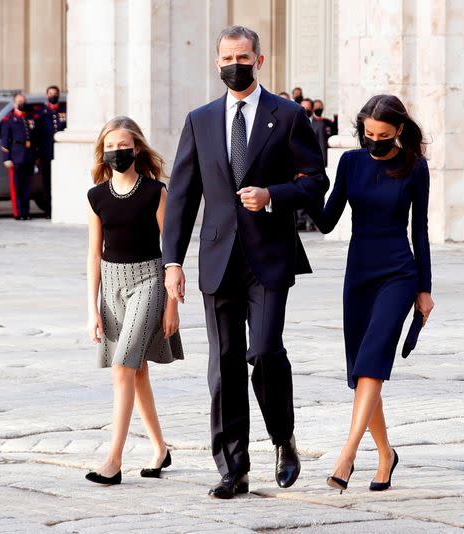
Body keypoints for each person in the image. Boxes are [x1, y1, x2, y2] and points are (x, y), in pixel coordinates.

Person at [162, 25, 328, 499]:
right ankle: (233, 467)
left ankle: (283, 439)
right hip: (217, 258)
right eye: (226, 57)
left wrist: (272, 195)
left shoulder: (290, 115)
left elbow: (316, 183)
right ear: (217, 64)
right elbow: (181, 197)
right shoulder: (200, 119)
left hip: (270, 259)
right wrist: (172, 262)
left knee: (264, 353)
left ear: (259, 60)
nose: (235, 63)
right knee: (225, 364)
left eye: (243, 56)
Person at [309, 94, 433, 493]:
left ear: (398, 131)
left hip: (399, 273)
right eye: (368, 134)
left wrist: (425, 289)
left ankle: (347, 454)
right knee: (362, 369)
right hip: (358, 274)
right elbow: (327, 222)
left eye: (382, 135)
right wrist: (304, 189)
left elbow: (421, 231)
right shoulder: (351, 162)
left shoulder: (416, 167)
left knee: (374, 360)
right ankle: (385, 453)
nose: (374, 141)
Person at [85, 116, 184, 485]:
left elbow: (171, 247)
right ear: (102, 151)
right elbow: (94, 255)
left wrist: (171, 304)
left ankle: (113, 460)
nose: (116, 152)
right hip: (111, 286)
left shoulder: (155, 192)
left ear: (137, 147)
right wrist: (91, 307)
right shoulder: (96, 196)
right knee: (137, 370)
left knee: (123, 367)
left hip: (148, 280)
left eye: (123, 146)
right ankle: (160, 448)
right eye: (109, 147)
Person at [0, 93, 36, 220]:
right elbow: (4, 141)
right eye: (20, 101)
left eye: (23, 101)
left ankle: (26, 213)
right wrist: (7, 158)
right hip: (16, 156)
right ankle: (18, 213)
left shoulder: (29, 118)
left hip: (29, 156)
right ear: (14, 103)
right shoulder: (9, 120)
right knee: (17, 187)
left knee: (27, 186)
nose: (22, 103)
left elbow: (34, 138)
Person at [35, 85, 67, 218]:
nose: (53, 95)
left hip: (62, 154)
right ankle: (49, 211)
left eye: (55, 93)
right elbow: (36, 134)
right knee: (47, 183)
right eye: (51, 93)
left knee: (62, 182)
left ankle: (63, 209)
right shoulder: (41, 112)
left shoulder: (64, 111)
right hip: (47, 153)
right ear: (47, 95)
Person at [301, 98, 328, 165]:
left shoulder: (320, 125)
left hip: (313, 164)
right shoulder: (294, 123)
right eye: (303, 108)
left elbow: (322, 146)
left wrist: (323, 164)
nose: (305, 110)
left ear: (312, 109)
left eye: (307, 108)